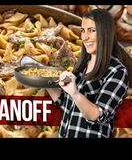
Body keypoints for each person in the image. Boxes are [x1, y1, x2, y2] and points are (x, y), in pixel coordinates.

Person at [47, 8, 129, 138]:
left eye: (91, 30)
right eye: (83, 31)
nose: (85, 37)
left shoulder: (117, 71)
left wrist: (74, 92)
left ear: (105, 33)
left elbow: (99, 115)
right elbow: (65, 104)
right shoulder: (81, 65)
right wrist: (45, 80)